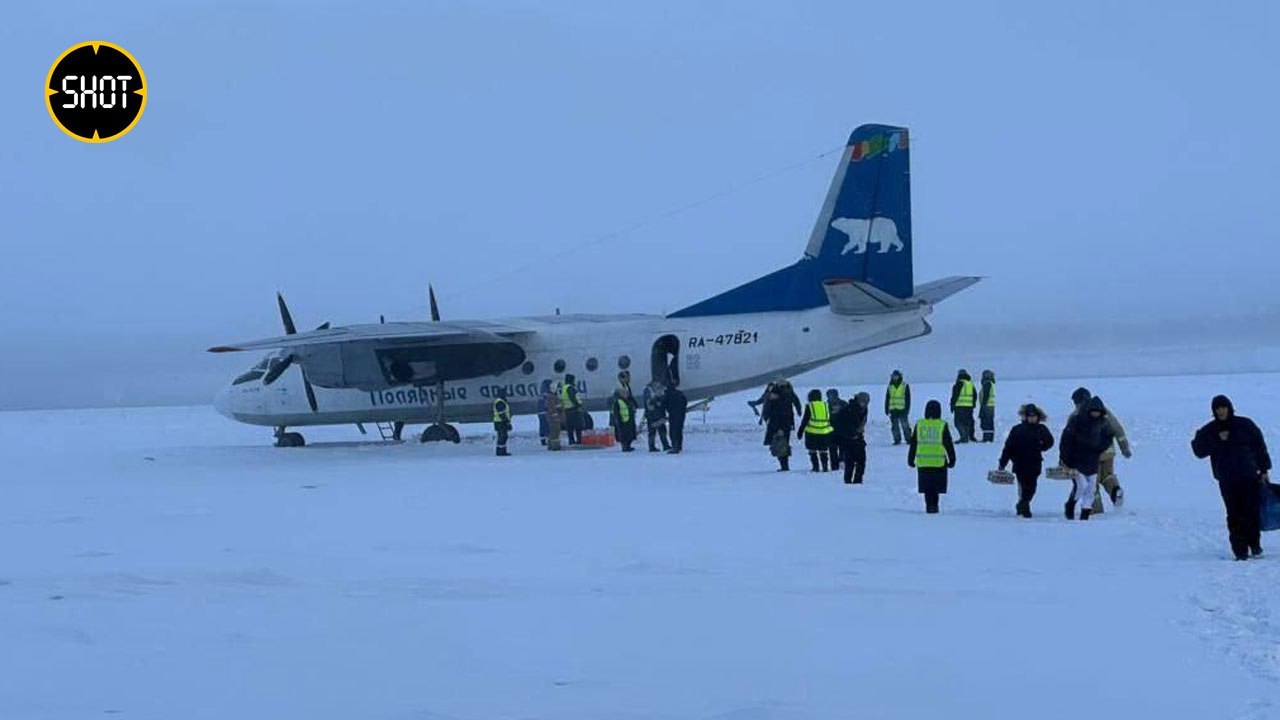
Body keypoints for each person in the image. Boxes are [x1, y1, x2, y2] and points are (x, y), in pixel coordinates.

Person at [1192, 395, 1272, 561]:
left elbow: (1259, 447)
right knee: (1234, 514)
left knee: (1251, 512)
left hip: (1249, 477)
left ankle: (1255, 545)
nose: (1221, 411)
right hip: (1227, 480)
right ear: (1214, 411)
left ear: (1229, 407)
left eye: (1223, 407)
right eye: (1217, 408)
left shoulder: (1245, 425)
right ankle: (1240, 551)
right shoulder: (1210, 430)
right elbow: (1198, 450)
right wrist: (1216, 440)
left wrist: (1264, 470)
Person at [1066, 387, 1133, 514]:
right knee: (1107, 476)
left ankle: (1096, 510)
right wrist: (1124, 448)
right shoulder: (1103, 411)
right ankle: (1115, 490)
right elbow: (1117, 428)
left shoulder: (1075, 415)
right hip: (1108, 453)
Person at [1059, 396, 1116, 521]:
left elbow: (1110, 435)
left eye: (1098, 411)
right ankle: (1070, 505)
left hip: (1092, 461)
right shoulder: (1076, 420)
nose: (1095, 413)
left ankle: (1085, 514)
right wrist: (1065, 459)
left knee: (1091, 489)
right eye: (1093, 410)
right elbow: (1066, 440)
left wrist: (1100, 447)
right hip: (1076, 461)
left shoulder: (1103, 422)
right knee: (1081, 486)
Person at [998, 403, 1054, 518]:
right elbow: (1008, 447)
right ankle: (1024, 509)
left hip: (1035, 463)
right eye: (1030, 416)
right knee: (1023, 486)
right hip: (1019, 463)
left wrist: (1042, 446)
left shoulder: (1042, 429)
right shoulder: (1017, 429)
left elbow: (1050, 441)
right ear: (1025, 417)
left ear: (1038, 417)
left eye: (1034, 416)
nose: (1032, 418)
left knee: (1032, 488)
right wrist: (1002, 463)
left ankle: (1022, 504)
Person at [908, 400, 957, 513]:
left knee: (927, 490)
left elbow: (914, 443)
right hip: (938, 463)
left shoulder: (920, 424)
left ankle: (929, 507)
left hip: (923, 463)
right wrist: (952, 458)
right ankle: (934, 507)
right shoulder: (941, 425)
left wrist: (910, 459)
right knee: (935, 490)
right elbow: (948, 443)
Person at [833, 391, 869, 484]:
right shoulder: (849, 410)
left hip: (858, 439)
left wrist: (858, 433)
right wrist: (853, 433)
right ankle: (848, 482)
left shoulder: (864, 409)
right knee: (850, 463)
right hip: (847, 440)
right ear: (858, 400)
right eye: (862, 401)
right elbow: (843, 425)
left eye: (866, 402)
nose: (864, 403)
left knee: (861, 461)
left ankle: (858, 480)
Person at [798, 389, 834, 472]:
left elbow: (805, 420)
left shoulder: (810, 406)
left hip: (812, 432)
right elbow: (831, 418)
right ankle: (825, 467)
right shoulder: (826, 405)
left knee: (812, 450)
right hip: (825, 432)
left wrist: (800, 431)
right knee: (823, 450)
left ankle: (815, 467)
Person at [763, 383, 795, 471]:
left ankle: (784, 466)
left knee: (781, 446)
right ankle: (784, 466)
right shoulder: (781, 400)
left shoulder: (780, 402)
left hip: (779, 427)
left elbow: (783, 415)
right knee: (780, 446)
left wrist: (780, 428)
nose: (771, 395)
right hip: (781, 426)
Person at [609, 371, 638, 452]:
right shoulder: (618, 387)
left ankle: (628, 445)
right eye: (627, 377)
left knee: (630, 429)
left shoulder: (626, 385)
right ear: (621, 378)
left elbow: (630, 396)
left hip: (627, 410)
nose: (629, 379)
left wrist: (634, 405)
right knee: (623, 430)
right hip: (621, 411)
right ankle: (624, 445)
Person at [885, 370, 912, 445]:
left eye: (896, 376)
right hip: (893, 409)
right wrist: (886, 408)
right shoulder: (890, 386)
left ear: (900, 376)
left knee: (905, 425)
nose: (895, 378)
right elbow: (887, 398)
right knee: (894, 427)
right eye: (894, 376)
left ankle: (909, 439)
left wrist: (907, 409)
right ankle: (897, 440)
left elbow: (908, 398)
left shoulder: (904, 385)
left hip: (902, 409)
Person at [950, 369, 977, 443]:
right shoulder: (970, 385)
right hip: (969, 407)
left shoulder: (958, 384)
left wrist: (952, 406)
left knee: (958, 423)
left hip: (959, 406)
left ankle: (963, 437)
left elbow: (955, 396)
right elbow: (975, 395)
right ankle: (966, 436)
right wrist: (973, 404)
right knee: (967, 422)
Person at [643, 380, 671, 452]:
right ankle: (654, 446)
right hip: (654, 415)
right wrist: (657, 401)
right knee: (655, 431)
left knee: (660, 431)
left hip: (656, 415)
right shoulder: (649, 391)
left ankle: (663, 445)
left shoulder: (652, 390)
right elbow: (651, 403)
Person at [826, 389, 848, 470]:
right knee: (841, 447)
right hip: (841, 430)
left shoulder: (826, 405)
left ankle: (835, 465)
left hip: (831, 430)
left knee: (833, 449)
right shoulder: (843, 403)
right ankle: (841, 461)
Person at [560, 374, 583, 445]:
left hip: (567, 410)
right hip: (573, 409)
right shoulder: (570, 388)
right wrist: (578, 405)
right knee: (578, 426)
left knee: (570, 427)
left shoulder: (564, 388)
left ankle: (571, 440)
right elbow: (573, 398)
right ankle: (579, 440)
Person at [665, 383, 688, 454]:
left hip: (673, 415)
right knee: (679, 430)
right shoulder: (680, 393)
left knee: (673, 431)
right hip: (681, 414)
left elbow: (664, 404)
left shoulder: (667, 395)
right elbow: (685, 402)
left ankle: (675, 447)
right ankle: (679, 445)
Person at [491, 389, 512, 456]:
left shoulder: (501, 401)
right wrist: (507, 422)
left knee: (503, 436)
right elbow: (502, 413)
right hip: (501, 422)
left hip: (500, 422)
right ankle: (501, 451)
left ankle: (501, 450)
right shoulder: (500, 402)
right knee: (502, 436)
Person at [979, 369, 997, 443]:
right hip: (990, 406)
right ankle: (988, 437)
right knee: (989, 422)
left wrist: (983, 405)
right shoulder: (990, 383)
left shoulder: (987, 383)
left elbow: (985, 395)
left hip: (987, 406)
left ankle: (987, 438)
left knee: (986, 422)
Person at [544, 382, 563, 451]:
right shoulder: (552, 397)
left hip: (553, 417)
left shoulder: (550, 397)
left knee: (553, 431)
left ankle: (550, 445)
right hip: (554, 417)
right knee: (555, 431)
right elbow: (553, 407)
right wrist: (556, 413)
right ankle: (555, 446)